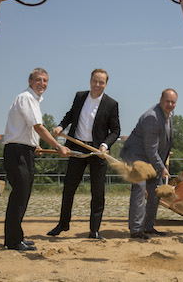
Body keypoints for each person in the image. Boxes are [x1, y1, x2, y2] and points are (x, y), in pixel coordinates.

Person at [47, 68, 120, 240]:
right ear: (90, 80)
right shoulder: (80, 96)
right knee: (69, 188)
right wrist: (60, 126)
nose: (97, 85)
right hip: (76, 149)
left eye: (101, 82)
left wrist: (104, 145)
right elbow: (70, 115)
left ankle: (94, 230)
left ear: (106, 84)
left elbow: (115, 131)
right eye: (95, 81)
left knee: (98, 192)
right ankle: (62, 224)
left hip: (97, 152)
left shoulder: (111, 104)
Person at [3, 67, 70, 251]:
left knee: (23, 195)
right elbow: (38, 127)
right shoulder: (26, 98)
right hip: (17, 153)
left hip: (25, 151)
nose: (42, 84)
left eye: (45, 81)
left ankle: (16, 237)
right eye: (39, 80)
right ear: (30, 81)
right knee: (19, 195)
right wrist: (58, 146)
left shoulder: (33, 100)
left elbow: (28, 129)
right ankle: (13, 241)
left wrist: (34, 146)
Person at [120, 89, 177, 239]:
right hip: (136, 155)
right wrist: (162, 168)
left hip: (151, 157)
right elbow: (151, 150)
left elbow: (162, 142)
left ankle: (148, 226)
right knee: (140, 187)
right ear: (161, 100)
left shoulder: (168, 115)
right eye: (167, 101)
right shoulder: (152, 117)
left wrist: (162, 163)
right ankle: (136, 230)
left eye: (173, 102)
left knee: (156, 189)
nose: (170, 104)